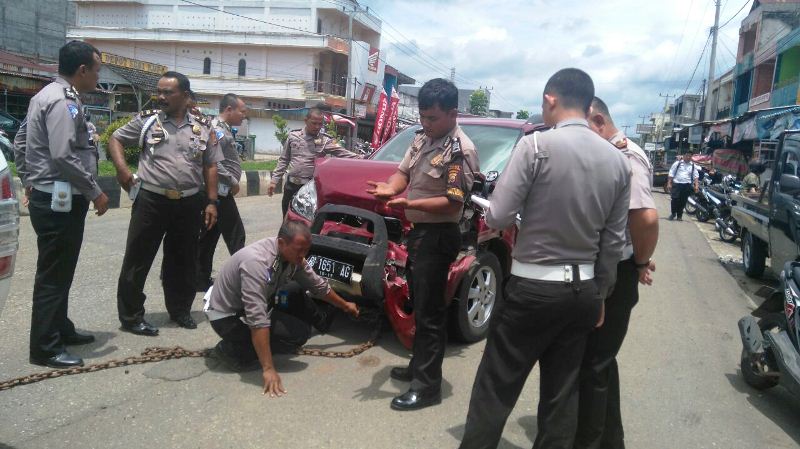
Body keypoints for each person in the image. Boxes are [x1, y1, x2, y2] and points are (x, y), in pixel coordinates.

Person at [459, 69, 630, 449]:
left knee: (496, 387)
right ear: (588, 105)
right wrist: (601, 294)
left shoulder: (535, 147)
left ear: (551, 100)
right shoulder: (619, 162)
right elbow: (614, 242)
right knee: (561, 395)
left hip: (533, 290)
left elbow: (499, 215)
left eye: (543, 104)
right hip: (583, 292)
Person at [366, 78, 480, 411]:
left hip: (439, 236)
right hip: (417, 234)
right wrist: (391, 188)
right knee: (419, 303)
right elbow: (402, 173)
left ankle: (428, 387)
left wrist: (406, 204)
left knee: (431, 314)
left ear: (453, 114)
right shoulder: (422, 138)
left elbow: (453, 204)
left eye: (432, 118)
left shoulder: (461, 150)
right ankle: (419, 367)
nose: (425, 124)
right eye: (423, 117)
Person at [14, 41, 110, 368]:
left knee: (61, 269)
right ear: (82, 70)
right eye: (96, 70)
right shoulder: (63, 102)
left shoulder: (44, 95)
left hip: (51, 195)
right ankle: (45, 347)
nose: (98, 76)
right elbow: (63, 155)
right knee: (53, 275)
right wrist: (95, 191)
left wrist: (30, 179)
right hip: (60, 200)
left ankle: (60, 328)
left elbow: (21, 142)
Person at [108, 71, 223, 336]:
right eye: (159, 92)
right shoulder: (148, 121)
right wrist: (123, 170)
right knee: (138, 258)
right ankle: (131, 316)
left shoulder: (204, 126)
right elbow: (116, 139)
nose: (161, 97)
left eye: (167, 92)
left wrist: (212, 202)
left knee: (182, 260)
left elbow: (211, 166)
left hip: (189, 201)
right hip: (151, 199)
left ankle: (180, 310)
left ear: (185, 95)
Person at [574, 97, 660, 449]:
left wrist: (640, 262)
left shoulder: (624, 157)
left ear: (597, 121)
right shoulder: (609, 154)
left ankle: (589, 442)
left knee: (593, 365)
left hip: (616, 273)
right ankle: (611, 440)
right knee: (600, 362)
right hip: (611, 267)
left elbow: (645, 217)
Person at [204, 220, 359, 396]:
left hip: (253, 306)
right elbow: (257, 319)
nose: (303, 256)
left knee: (298, 331)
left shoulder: (293, 255)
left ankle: (259, 343)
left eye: (306, 251)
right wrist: (268, 369)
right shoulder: (257, 263)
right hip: (227, 316)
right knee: (280, 341)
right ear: (281, 243)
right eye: (299, 251)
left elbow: (318, 286)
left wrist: (345, 305)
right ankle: (230, 350)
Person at [196, 93, 248, 291]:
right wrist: (233, 181)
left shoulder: (224, 129)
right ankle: (244, 279)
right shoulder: (217, 130)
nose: (244, 116)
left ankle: (200, 278)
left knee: (209, 235)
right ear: (229, 109)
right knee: (236, 235)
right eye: (242, 112)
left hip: (220, 190)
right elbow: (214, 162)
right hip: (218, 191)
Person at [268, 107, 361, 216]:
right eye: (314, 123)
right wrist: (274, 181)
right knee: (287, 218)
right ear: (305, 121)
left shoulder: (325, 141)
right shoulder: (293, 136)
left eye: (320, 124)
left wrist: (364, 157)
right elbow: (284, 160)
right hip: (291, 186)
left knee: (305, 221)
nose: (317, 127)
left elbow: (343, 153)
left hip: (309, 189)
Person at [666, 151, 699, 221]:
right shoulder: (677, 163)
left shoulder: (693, 165)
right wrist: (669, 183)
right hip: (677, 184)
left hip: (687, 185)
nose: (688, 157)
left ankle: (679, 216)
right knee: (674, 199)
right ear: (684, 156)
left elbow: (696, 176)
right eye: (687, 155)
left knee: (683, 201)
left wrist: (696, 186)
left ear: (691, 157)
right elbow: (671, 173)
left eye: (690, 156)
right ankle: (673, 213)